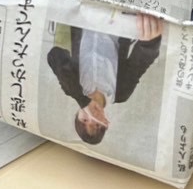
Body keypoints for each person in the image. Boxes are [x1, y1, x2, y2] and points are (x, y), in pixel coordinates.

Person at [47, 16, 164, 146]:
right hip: (118, 19)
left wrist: (83, 100)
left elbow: (54, 55)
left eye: (85, 120)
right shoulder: (120, 93)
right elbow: (142, 60)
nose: (92, 117)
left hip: (87, 14)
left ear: (78, 113)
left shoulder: (72, 87)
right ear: (106, 122)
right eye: (97, 124)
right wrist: (150, 42)